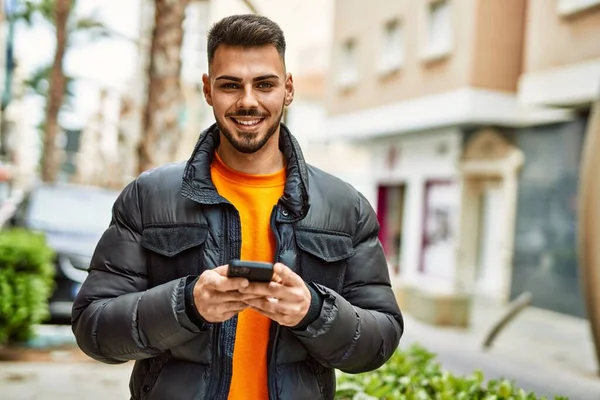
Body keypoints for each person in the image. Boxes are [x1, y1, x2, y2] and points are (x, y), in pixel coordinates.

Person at [71, 14, 403, 400]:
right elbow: (93, 328)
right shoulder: (148, 197)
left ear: (288, 88)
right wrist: (187, 305)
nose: (248, 101)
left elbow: (381, 339)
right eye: (231, 85)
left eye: (264, 84)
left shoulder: (346, 207)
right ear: (208, 90)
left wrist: (313, 312)